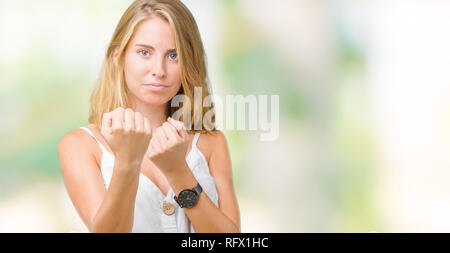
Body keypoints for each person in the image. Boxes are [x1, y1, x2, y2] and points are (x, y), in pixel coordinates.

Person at [57, 0, 240, 233]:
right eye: (144, 52)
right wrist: (127, 161)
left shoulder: (211, 142)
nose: (159, 70)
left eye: (174, 56)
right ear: (118, 56)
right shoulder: (80, 146)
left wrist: (178, 173)